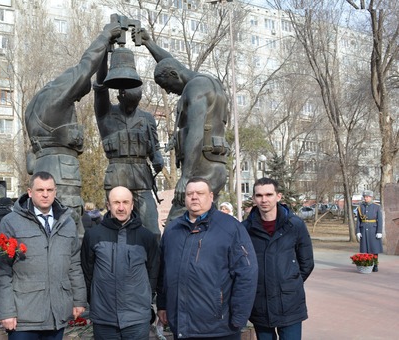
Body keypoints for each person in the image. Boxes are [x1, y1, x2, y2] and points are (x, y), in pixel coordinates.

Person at [25, 23, 122, 230]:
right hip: (62, 173)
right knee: (69, 228)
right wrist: (105, 36)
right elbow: (85, 66)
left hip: (42, 166)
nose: (77, 98)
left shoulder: (33, 105)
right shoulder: (57, 96)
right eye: (78, 94)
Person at [135, 29, 230, 222]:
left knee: (174, 227)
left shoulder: (195, 88)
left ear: (173, 75)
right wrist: (149, 44)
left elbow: (196, 130)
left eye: (167, 86)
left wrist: (185, 177)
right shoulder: (209, 83)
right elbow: (172, 65)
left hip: (201, 171)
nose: (169, 92)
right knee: (206, 227)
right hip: (216, 168)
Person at [157, 177, 258, 340]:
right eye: (190, 193)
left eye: (200, 193)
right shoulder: (172, 230)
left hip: (218, 328)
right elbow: (163, 272)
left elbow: (247, 274)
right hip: (182, 327)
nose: (194, 197)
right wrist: (162, 305)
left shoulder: (231, 228)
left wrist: (239, 317)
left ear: (211, 196)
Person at [0, 171, 86, 340]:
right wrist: (6, 311)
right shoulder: (11, 222)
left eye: (50, 190)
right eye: (40, 190)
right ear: (30, 192)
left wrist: (79, 300)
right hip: (23, 317)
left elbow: (74, 264)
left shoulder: (67, 222)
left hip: (56, 314)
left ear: (55, 192)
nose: (45, 194)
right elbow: (2, 271)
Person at [93, 49, 164, 236]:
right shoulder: (106, 114)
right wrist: (103, 57)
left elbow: (155, 147)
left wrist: (158, 158)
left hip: (142, 177)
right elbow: (100, 87)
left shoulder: (147, 118)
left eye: (136, 103)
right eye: (129, 104)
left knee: (152, 230)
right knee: (114, 232)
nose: (132, 108)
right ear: (119, 95)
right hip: (117, 175)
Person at [81, 186, 159, 340]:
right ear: (108, 206)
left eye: (125, 202)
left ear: (132, 205)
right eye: (116, 203)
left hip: (137, 319)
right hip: (104, 318)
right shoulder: (93, 235)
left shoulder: (147, 237)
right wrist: (95, 300)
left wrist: (145, 299)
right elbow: (87, 272)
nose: (121, 207)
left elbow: (154, 272)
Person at [242, 177, 314, 340]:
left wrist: (290, 282)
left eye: (269, 194)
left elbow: (307, 262)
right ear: (253, 198)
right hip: (260, 303)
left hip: (290, 303)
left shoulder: (295, 225)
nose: (264, 200)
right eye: (259, 196)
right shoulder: (245, 229)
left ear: (278, 196)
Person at [356, 190, 383, 272]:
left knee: (374, 249)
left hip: (373, 229)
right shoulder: (360, 207)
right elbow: (358, 220)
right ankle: (367, 264)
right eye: (364, 197)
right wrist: (357, 231)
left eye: (367, 197)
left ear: (371, 197)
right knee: (365, 249)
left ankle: (375, 265)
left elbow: (380, 220)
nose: (365, 198)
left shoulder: (376, 207)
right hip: (363, 229)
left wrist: (379, 231)